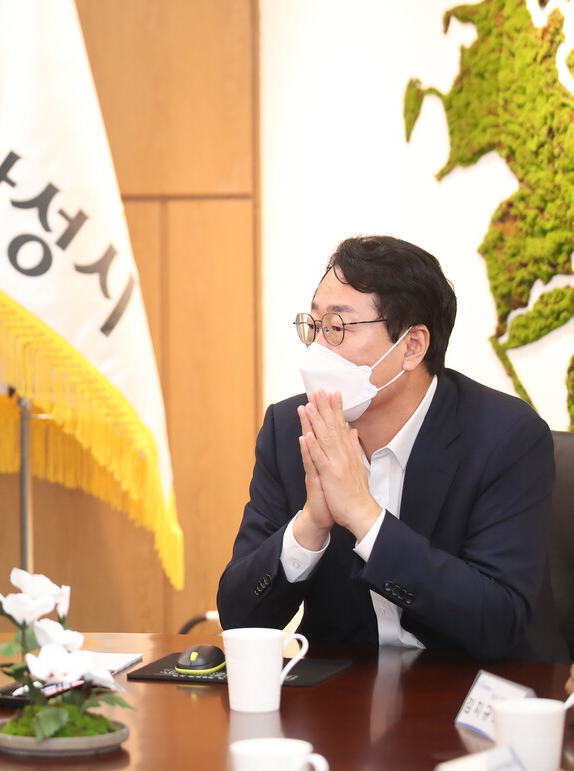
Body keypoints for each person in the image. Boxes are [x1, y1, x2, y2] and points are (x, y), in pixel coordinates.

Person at [217, 235, 567, 662]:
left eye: (337, 328)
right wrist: (310, 524)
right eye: (315, 326)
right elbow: (240, 618)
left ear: (412, 346)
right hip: (345, 689)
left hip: (477, 683)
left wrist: (364, 516)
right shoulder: (292, 428)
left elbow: (497, 620)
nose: (318, 348)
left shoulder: (505, 436)